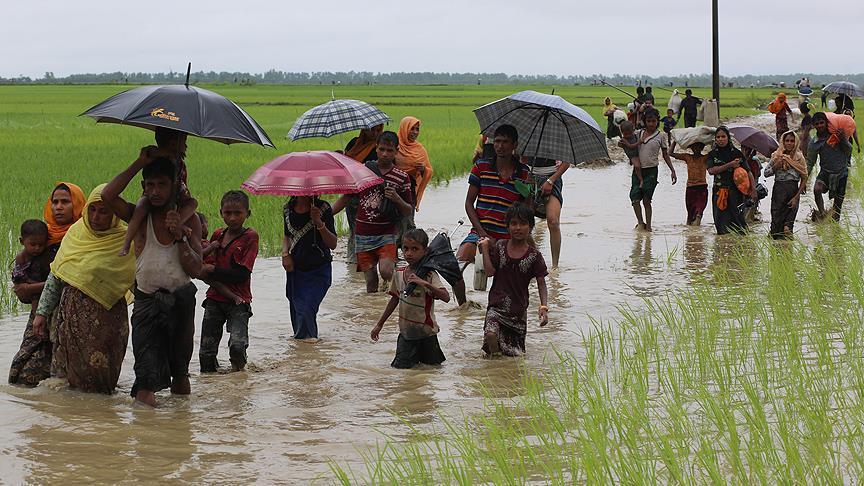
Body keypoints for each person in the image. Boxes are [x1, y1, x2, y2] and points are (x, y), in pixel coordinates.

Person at [102, 147, 203, 407]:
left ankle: (181, 429)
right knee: (145, 377)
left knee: (180, 370)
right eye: (150, 185)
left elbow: (196, 269)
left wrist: (180, 235)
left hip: (181, 300)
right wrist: (139, 162)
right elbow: (107, 195)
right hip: (146, 302)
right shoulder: (139, 215)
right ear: (143, 186)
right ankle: (148, 439)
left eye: (162, 185)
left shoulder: (189, 221)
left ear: (173, 186)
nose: (155, 191)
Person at [28, 184, 137, 394]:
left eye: (104, 211)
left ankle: (98, 420)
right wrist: (41, 313)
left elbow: (138, 283)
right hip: (69, 320)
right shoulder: (76, 235)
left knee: (101, 384)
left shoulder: (126, 241)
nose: (96, 217)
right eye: (92, 210)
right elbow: (56, 276)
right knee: (65, 383)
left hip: (107, 324)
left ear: (115, 214)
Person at [9, 182, 85, 387]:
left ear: (77, 205)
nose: (58, 207)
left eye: (65, 202)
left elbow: (69, 278)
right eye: (55, 202)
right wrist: (23, 289)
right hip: (41, 314)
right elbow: (23, 286)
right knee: (23, 375)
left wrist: (30, 289)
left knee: (69, 377)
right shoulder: (42, 237)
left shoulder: (83, 237)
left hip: (71, 315)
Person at [455, 124, 530, 306]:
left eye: (505, 142)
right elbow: (468, 203)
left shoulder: (524, 173)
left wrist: (530, 192)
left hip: (508, 236)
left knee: (509, 278)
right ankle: (463, 306)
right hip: (481, 230)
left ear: (515, 145)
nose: (500, 146)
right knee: (457, 264)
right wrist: (482, 233)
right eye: (497, 141)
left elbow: (527, 213)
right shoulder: (481, 167)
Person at [333, 131, 413, 293]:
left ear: (396, 151)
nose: (385, 154)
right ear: (376, 149)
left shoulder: (402, 177)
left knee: (386, 271)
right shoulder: (363, 171)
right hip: (362, 234)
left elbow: (408, 209)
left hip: (386, 234)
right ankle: (373, 312)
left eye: (389, 151)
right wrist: (325, 214)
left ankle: (394, 294)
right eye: (382, 149)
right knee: (370, 283)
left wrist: (397, 198)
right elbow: (346, 198)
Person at [370, 229, 450, 368]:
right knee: (401, 370)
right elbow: (395, 299)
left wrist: (425, 284)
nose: (409, 253)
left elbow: (446, 297)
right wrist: (379, 324)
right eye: (405, 249)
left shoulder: (429, 275)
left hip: (427, 334)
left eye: (415, 249)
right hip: (406, 333)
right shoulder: (399, 273)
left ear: (425, 251)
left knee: (433, 369)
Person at [198, 191, 259, 373]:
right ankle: (213, 388)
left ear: (247, 214)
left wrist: (213, 271)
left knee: (238, 347)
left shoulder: (250, 237)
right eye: (228, 213)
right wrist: (208, 270)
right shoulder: (217, 235)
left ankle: (238, 382)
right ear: (221, 213)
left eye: (238, 213)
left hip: (239, 300)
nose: (232, 218)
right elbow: (206, 265)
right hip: (214, 299)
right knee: (206, 353)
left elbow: (242, 274)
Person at [478, 204, 548, 357]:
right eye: (514, 223)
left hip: (517, 313)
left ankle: (501, 372)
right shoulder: (500, 246)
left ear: (530, 227)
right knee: (491, 336)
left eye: (523, 224)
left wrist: (543, 306)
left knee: (514, 356)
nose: (518, 228)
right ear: (507, 227)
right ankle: (495, 365)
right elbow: (489, 272)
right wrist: (484, 249)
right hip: (495, 307)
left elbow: (541, 282)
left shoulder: (534, 256)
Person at [119, 129, 199, 257]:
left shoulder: (180, 163)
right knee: (140, 208)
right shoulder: (155, 155)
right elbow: (148, 153)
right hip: (150, 197)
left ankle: (179, 223)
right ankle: (126, 243)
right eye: (183, 141)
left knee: (193, 203)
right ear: (173, 143)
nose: (186, 146)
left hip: (175, 195)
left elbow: (183, 185)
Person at [282, 196, 337, 340]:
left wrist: (319, 222)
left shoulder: (323, 208)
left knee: (306, 308)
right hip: (295, 270)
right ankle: (304, 350)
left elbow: (333, 244)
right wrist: (285, 254)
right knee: (297, 310)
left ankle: (306, 346)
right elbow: (287, 236)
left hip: (318, 270)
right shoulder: (288, 208)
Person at [631, 108, 677, 232]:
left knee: (647, 199)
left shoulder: (661, 136)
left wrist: (672, 170)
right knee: (634, 197)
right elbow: (630, 147)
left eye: (654, 121)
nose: (651, 124)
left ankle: (649, 227)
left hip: (651, 171)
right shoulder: (638, 134)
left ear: (657, 122)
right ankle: (640, 223)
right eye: (649, 121)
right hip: (638, 170)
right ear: (645, 121)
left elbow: (665, 154)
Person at [344, 124, 384, 264]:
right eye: (371, 129)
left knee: (370, 229)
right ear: (363, 129)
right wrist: (341, 157)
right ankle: (353, 262)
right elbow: (345, 165)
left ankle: (370, 261)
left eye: (378, 130)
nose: (374, 133)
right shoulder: (353, 144)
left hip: (372, 197)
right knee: (354, 229)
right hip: (351, 194)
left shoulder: (379, 148)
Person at [706, 126, 755, 235]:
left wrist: (753, 189)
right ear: (715, 139)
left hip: (735, 193)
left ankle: (741, 247)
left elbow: (749, 172)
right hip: (719, 192)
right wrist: (730, 164)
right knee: (720, 222)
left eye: (723, 136)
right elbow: (711, 171)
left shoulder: (737, 153)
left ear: (728, 138)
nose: (720, 139)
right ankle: (723, 247)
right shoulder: (712, 154)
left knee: (738, 221)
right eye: (718, 137)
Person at [522, 156, 569, 268]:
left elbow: (566, 162)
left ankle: (555, 266)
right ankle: (534, 257)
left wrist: (551, 180)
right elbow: (520, 158)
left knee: (553, 221)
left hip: (552, 177)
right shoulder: (527, 139)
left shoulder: (558, 139)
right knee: (523, 222)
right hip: (530, 177)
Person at [807, 112, 853, 221]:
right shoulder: (815, 142)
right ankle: (822, 214)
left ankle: (834, 231)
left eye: (821, 123)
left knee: (837, 210)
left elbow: (849, 150)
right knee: (817, 189)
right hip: (825, 173)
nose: (819, 126)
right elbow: (810, 162)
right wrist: (804, 180)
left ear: (826, 123)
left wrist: (843, 140)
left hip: (841, 173)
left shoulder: (836, 136)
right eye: (817, 124)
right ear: (814, 126)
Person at [764, 131, 808, 239]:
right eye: (787, 141)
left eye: (792, 141)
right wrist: (776, 166)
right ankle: (777, 252)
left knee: (787, 229)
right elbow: (766, 173)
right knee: (775, 230)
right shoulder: (776, 156)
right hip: (778, 193)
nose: (789, 143)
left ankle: (789, 252)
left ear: (796, 142)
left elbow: (804, 177)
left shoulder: (799, 158)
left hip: (793, 193)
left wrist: (796, 197)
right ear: (783, 142)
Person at [395, 116, 434, 211]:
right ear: (404, 128)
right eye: (411, 128)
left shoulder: (420, 149)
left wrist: (423, 169)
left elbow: (429, 171)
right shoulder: (394, 144)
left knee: (408, 221)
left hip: (409, 192)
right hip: (392, 190)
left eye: (417, 129)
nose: (415, 132)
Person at [12, 220, 50, 311]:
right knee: (36, 302)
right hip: (31, 287)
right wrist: (37, 285)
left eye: (41, 245)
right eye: (33, 244)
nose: (37, 248)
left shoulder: (46, 254)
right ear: (22, 241)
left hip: (40, 286)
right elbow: (20, 278)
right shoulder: (21, 257)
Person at [670, 142, 709, 225]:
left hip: (702, 186)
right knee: (690, 214)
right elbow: (670, 153)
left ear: (702, 148)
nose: (696, 149)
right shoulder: (687, 157)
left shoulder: (705, 158)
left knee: (699, 210)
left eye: (698, 147)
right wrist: (675, 141)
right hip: (690, 187)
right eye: (694, 147)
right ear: (691, 148)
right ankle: (691, 231)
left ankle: (697, 223)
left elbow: (714, 153)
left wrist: (713, 143)